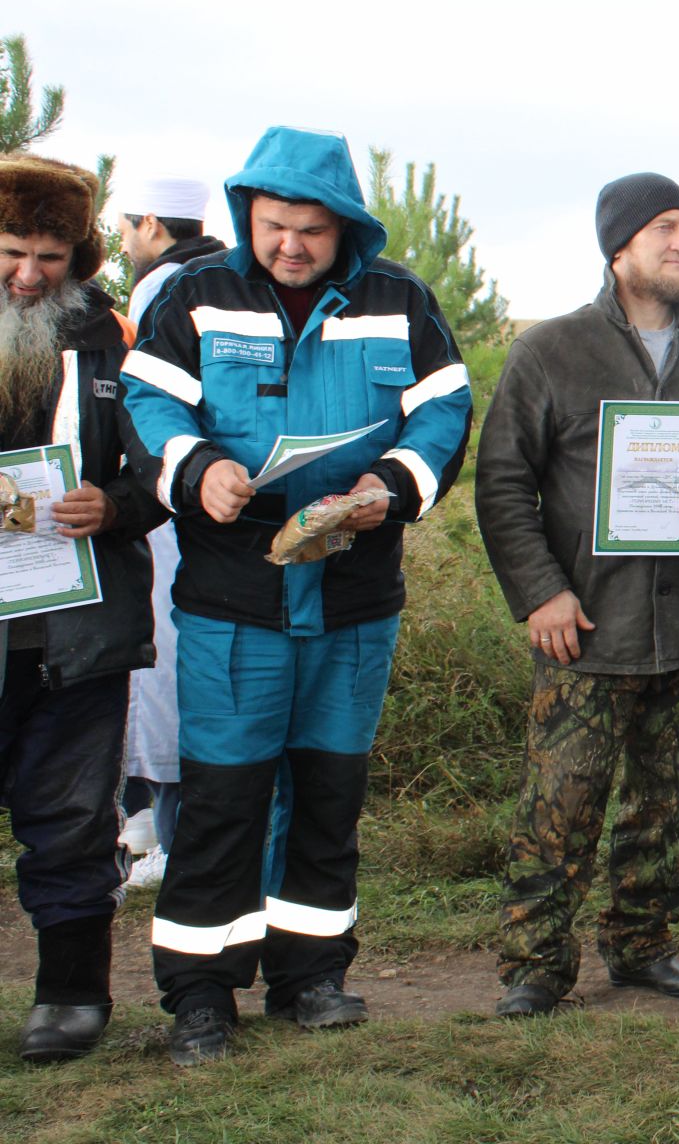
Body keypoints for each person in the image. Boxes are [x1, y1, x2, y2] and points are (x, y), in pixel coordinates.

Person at [121, 127, 473, 1065]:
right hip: (233, 600)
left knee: (328, 794)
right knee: (225, 796)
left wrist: (392, 487)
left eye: (312, 231)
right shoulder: (198, 296)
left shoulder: (401, 299)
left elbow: (444, 408)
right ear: (247, 218)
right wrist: (197, 467)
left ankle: (310, 974)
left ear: (345, 228)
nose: (291, 246)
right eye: (274, 226)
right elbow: (145, 400)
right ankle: (199, 994)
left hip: (355, 597)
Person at [476, 172, 679, 1017]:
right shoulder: (552, 351)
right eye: (664, 229)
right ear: (618, 250)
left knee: (668, 805)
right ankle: (536, 965)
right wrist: (541, 593)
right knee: (560, 805)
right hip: (586, 626)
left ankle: (643, 945)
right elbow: (503, 483)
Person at [0, 154, 167, 1061]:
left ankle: (72, 996)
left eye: (52, 255)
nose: (30, 275)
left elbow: (164, 466)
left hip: (77, 632)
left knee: (70, 817)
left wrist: (118, 505)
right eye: (13, 250)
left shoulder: (117, 338)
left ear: (81, 251)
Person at [117, 175, 227, 888]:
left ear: (149, 222)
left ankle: (163, 835)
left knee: (162, 676)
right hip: (207, 502)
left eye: (125, 228)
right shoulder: (220, 278)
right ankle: (148, 824)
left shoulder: (164, 288)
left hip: (173, 509)